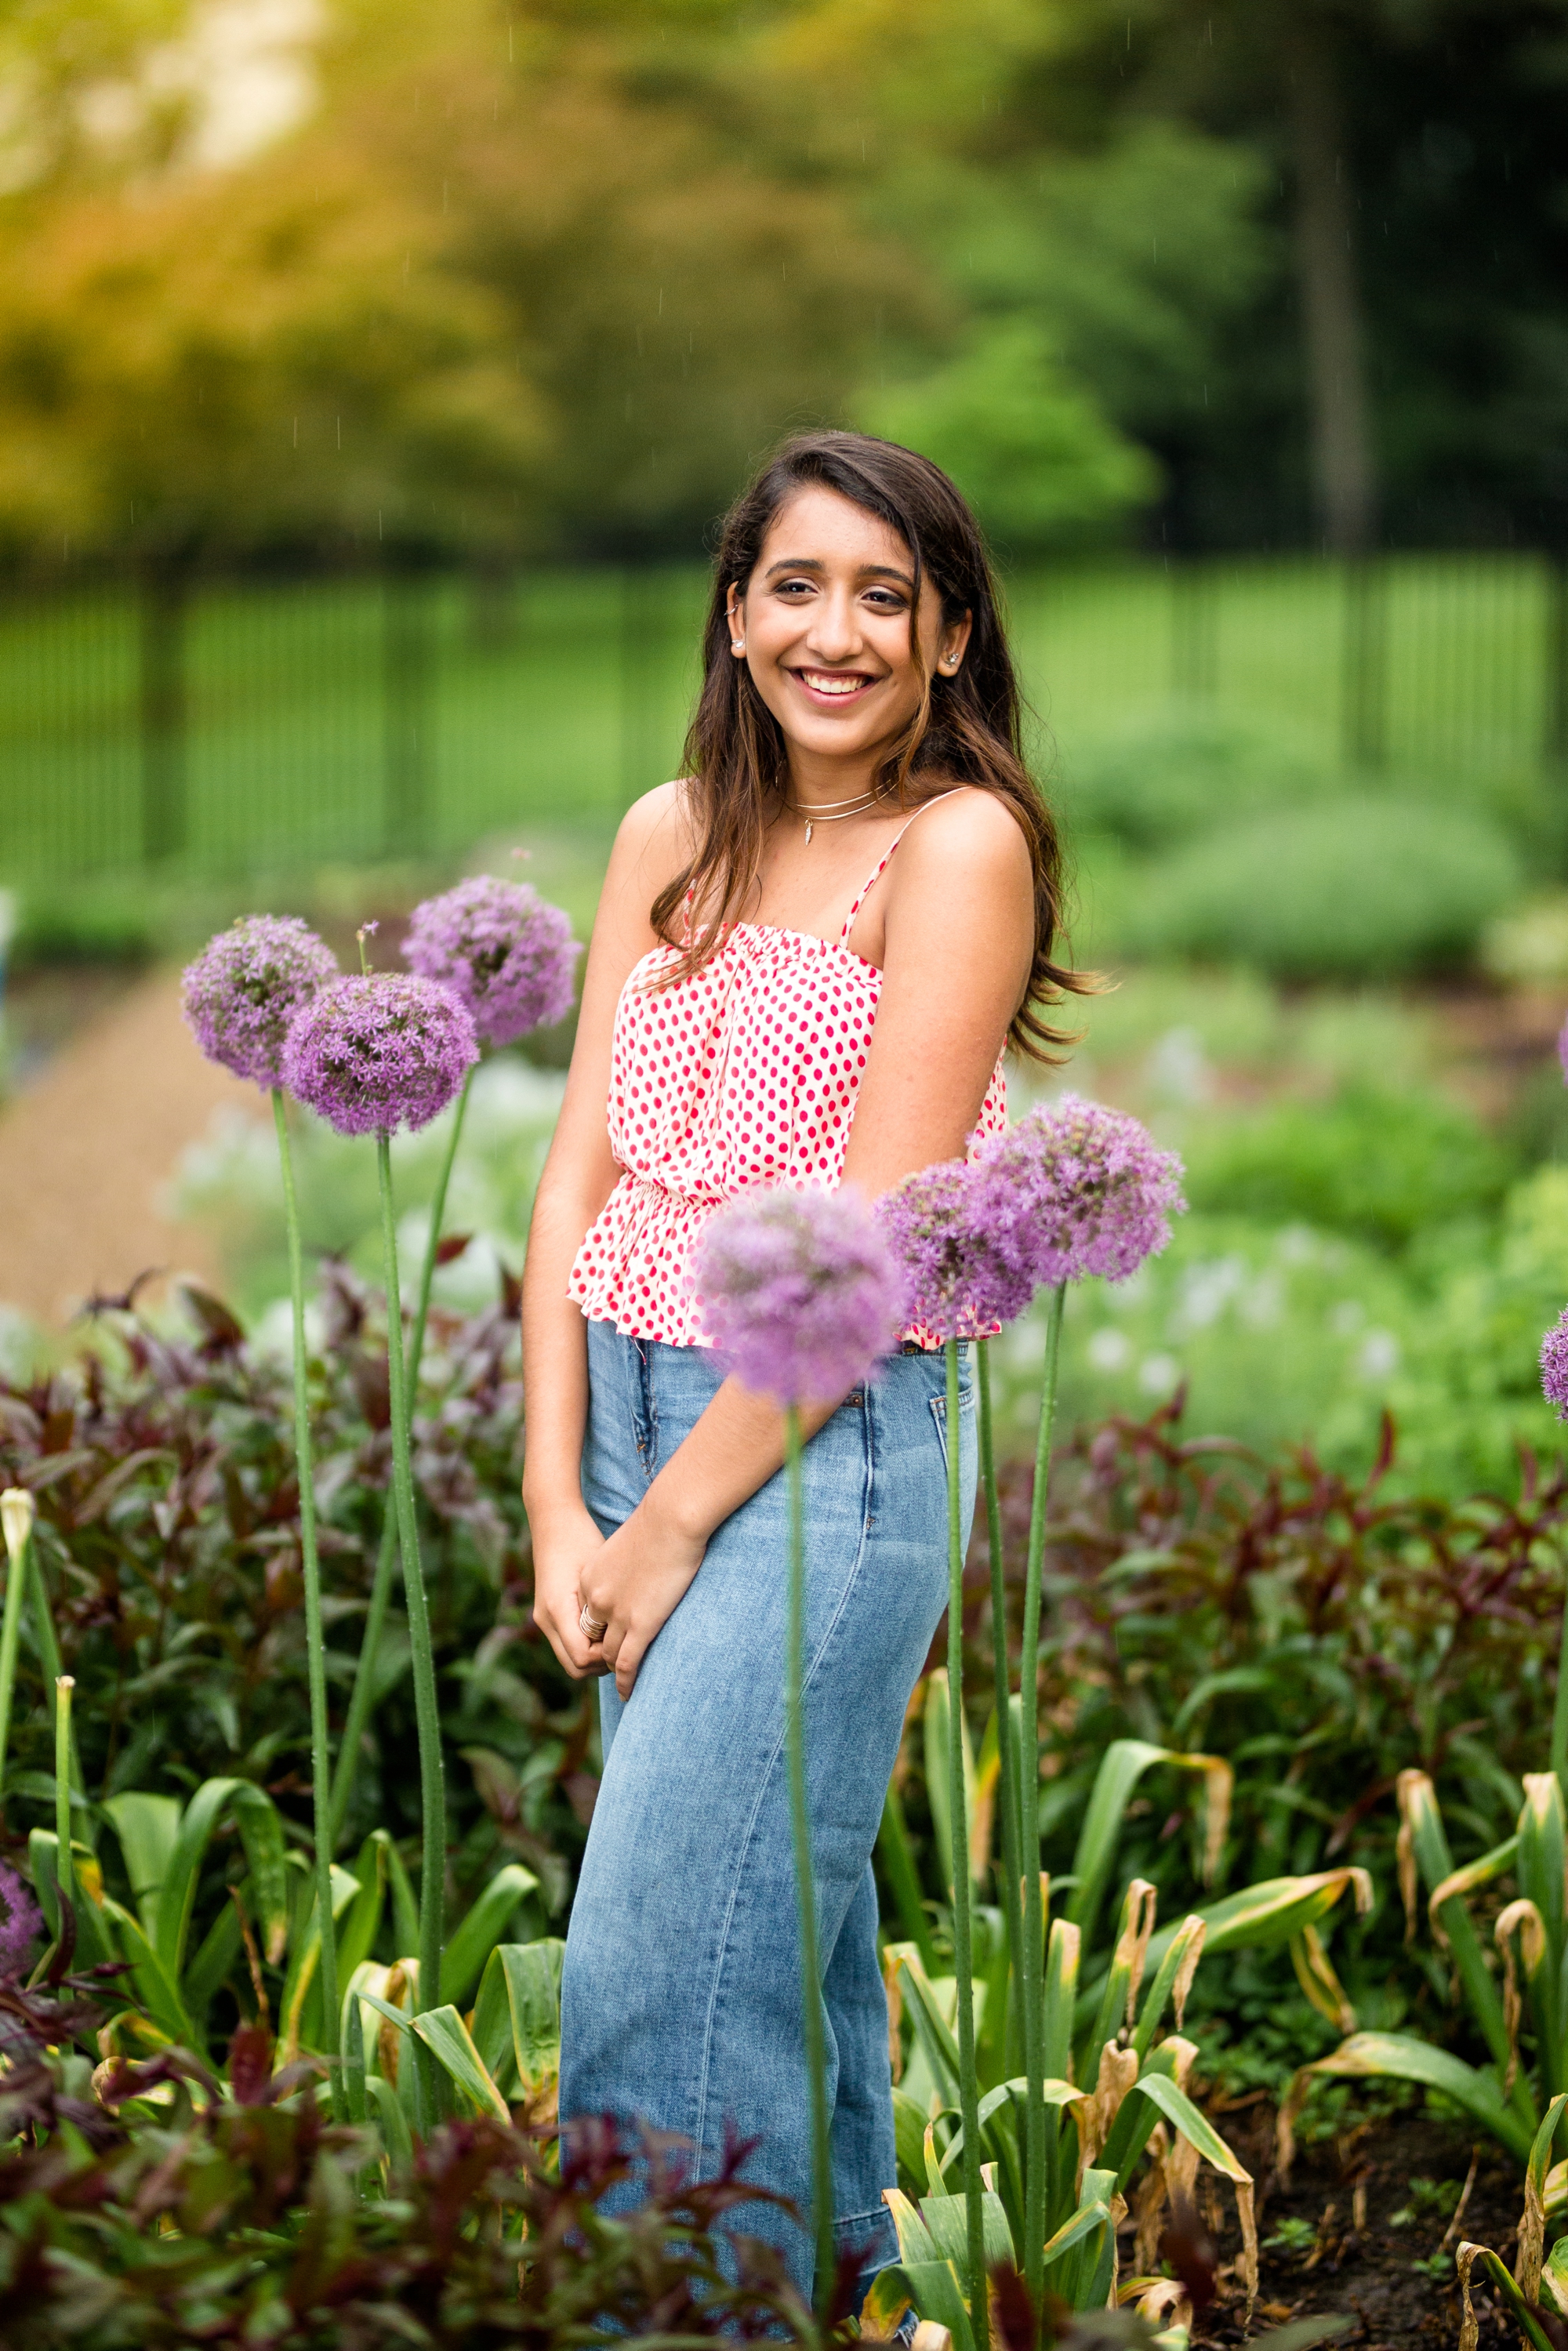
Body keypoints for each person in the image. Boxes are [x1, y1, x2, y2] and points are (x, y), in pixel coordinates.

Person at [521, 429, 1087, 2299]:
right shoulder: (666, 831)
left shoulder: (960, 846)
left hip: (812, 1466)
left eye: (883, 595)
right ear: (736, 608)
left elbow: (863, 1252)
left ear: (946, 636)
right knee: (772, 1948)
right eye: (795, 584)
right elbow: (573, 1180)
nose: (832, 632)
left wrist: (672, 1525)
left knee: (657, 1979)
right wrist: (558, 1505)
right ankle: (828, 2295)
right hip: (627, 1419)